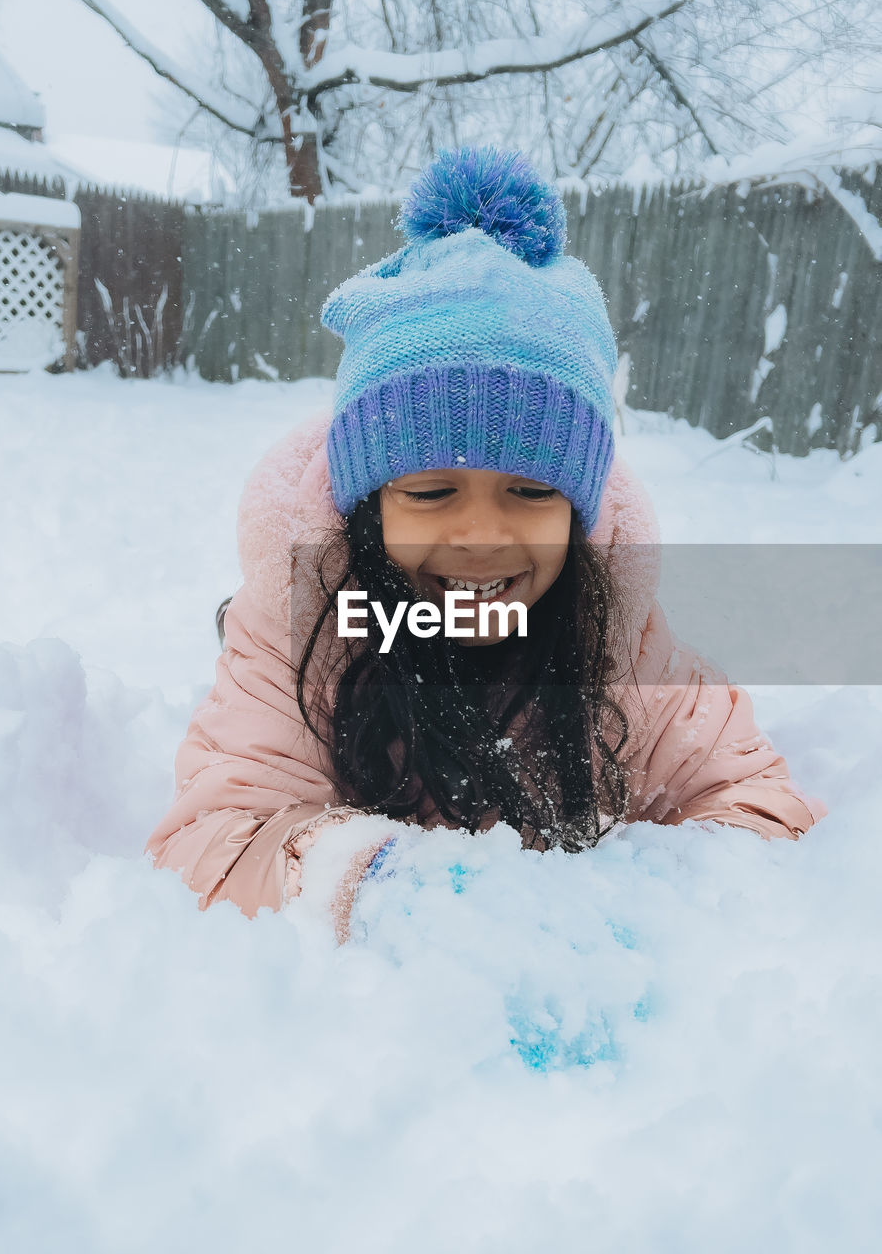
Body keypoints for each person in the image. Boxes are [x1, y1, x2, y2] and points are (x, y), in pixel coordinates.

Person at [146, 145, 826, 941]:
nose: (479, 537)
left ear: (577, 515)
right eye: (431, 492)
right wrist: (371, 885)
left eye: (533, 492)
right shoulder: (306, 628)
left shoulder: (621, 640)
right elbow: (215, 838)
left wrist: (632, 897)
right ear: (369, 507)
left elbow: (756, 807)